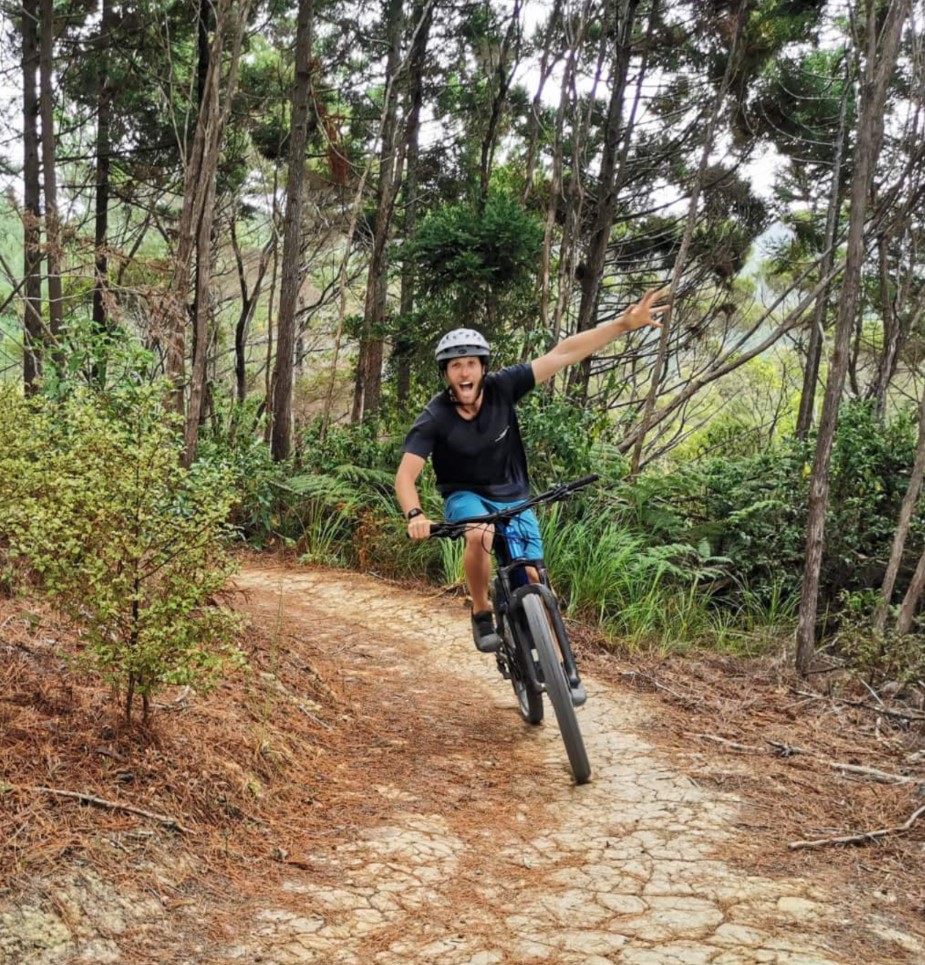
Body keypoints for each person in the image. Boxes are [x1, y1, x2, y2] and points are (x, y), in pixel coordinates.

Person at [395, 288, 669, 653]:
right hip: (465, 495)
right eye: (455, 365)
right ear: (445, 373)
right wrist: (415, 513)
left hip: (514, 493)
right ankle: (481, 610)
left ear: (482, 367)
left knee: (535, 577)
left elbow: (563, 353)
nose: (464, 372)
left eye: (471, 363)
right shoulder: (434, 416)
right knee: (480, 534)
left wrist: (623, 324)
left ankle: (561, 667)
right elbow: (406, 476)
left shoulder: (503, 388)